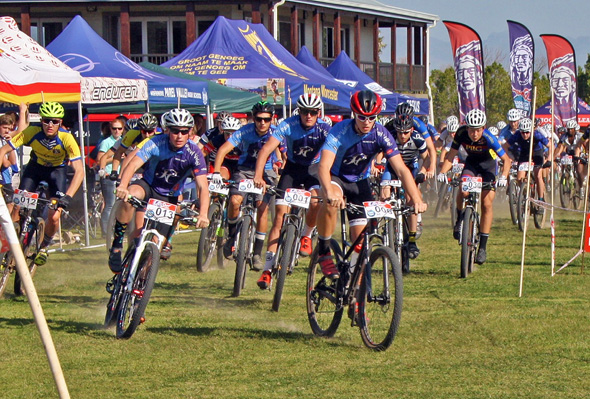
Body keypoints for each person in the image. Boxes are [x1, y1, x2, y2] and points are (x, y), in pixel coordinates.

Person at [315, 90, 427, 280]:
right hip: (338, 178)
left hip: (360, 183)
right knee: (330, 200)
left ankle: (355, 292)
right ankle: (324, 251)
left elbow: (401, 169)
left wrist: (416, 199)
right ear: (353, 115)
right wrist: (328, 192)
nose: (367, 122)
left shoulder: (381, 134)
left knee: (361, 244)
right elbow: (323, 166)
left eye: (371, 117)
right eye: (362, 117)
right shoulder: (340, 131)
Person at [108, 108, 210, 273]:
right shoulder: (156, 142)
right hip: (149, 186)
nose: (179, 136)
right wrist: (122, 186)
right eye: (175, 131)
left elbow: (203, 186)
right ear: (167, 130)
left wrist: (204, 213)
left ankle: (140, 281)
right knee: (130, 196)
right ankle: (117, 244)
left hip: (170, 196)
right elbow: (133, 164)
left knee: (155, 245)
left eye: (184, 132)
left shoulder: (194, 153)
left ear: (190, 132)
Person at [252, 93, 330, 289]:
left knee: (315, 202)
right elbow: (266, 150)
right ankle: (267, 270)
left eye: (313, 112)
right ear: (299, 112)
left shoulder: (325, 129)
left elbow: (336, 152)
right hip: (292, 171)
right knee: (279, 218)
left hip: (313, 171)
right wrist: (258, 175)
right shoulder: (287, 124)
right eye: (305, 112)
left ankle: (306, 235)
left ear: (318, 113)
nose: (309, 116)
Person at [0, 101, 85, 265]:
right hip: (35, 170)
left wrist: (68, 196)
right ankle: (12, 240)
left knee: (54, 216)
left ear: (60, 122)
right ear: (41, 121)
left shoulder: (67, 138)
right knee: (18, 205)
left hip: (56, 173)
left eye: (54, 121)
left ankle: (44, 246)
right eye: (46, 120)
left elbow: (79, 171)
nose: (50, 125)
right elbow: (4, 150)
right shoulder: (32, 132)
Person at [212, 101, 280, 271]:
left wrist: (280, 164)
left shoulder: (276, 133)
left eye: (266, 119)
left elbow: (283, 152)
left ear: (271, 119)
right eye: (258, 119)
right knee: (234, 202)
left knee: (262, 208)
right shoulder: (244, 131)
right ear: (253, 118)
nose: (262, 123)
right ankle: (232, 237)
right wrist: (216, 173)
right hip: (245, 170)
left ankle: (257, 252)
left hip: (267, 173)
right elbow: (222, 150)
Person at [437, 109, 511, 265]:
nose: (474, 134)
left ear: (483, 128)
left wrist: (503, 177)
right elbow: (451, 155)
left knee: (486, 203)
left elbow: (506, 160)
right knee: (463, 189)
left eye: (478, 130)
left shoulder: (489, 138)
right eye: (471, 130)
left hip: (489, 168)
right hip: (471, 165)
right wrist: (443, 172)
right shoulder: (461, 133)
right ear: (467, 127)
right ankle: (459, 220)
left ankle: (482, 247)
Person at [383, 110, 429, 259]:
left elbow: (426, 157)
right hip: (392, 166)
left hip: (410, 167)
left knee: (411, 198)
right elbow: (378, 153)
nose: (402, 136)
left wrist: (423, 170)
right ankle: (386, 226)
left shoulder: (418, 139)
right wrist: (376, 165)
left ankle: (412, 239)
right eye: (399, 132)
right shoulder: (389, 137)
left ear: (412, 130)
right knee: (384, 192)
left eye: (406, 132)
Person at [503, 118, 552, 204]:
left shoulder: (536, 134)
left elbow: (550, 145)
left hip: (537, 153)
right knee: (519, 178)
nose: (525, 135)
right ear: (520, 131)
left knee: (538, 175)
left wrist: (549, 158)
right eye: (523, 132)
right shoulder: (517, 135)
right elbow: (505, 146)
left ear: (531, 131)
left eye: (527, 132)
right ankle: (524, 193)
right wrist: (508, 158)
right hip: (525, 154)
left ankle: (540, 199)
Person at [95, 117, 125, 237]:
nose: (117, 131)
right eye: (114, 128)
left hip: (121, 176)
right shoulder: (106, 142)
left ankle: (117, 230)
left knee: (121, 205)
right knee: (110, 204)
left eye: (119, 128)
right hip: (108, 176)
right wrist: (117, 158)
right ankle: (106, 232)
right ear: (110, 129)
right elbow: (100, 160)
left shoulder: (124, 141)